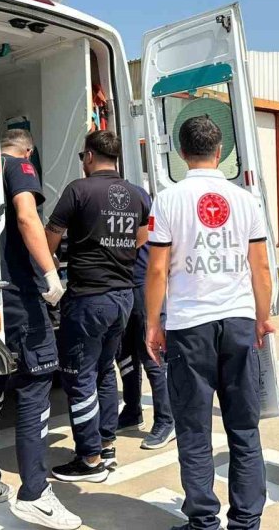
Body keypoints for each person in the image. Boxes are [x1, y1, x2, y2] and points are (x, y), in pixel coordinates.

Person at [145, 115, 276, 530]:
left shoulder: (167, 199)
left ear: (181, 154)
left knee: (194, 428)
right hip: (238, 321)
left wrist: (153, 323)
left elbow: (157, 271)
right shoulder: (245, 200)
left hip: (190, 327)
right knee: (244, 427)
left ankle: (203, 521)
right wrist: (262, 317)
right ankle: (246, 521)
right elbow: (261, 269)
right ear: (221, 152)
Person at [0, 130, 81, 530]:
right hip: (19, 297)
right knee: (36, 386)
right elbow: (26, 214)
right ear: (28, 149)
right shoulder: (19, 165)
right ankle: (34, 492)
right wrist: (51, 275)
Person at [45, 130, 150, 483]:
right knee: (106, 371)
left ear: (89, 156)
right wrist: (122, 256)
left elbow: (51, 236)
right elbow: (143, 233)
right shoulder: (137, 194)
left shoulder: (79, 190)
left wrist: (46, 271)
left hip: (89, 297)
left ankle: (88, 458)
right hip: (123, 295)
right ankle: (106, 445)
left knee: (78, 375)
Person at [116, 187, 176, 450]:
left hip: (144, 284)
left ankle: (166, 419)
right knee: (125, 353)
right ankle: (132, 410)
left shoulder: (139, 199)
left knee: (151, 356)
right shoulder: (130, 195)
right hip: (123, 282)